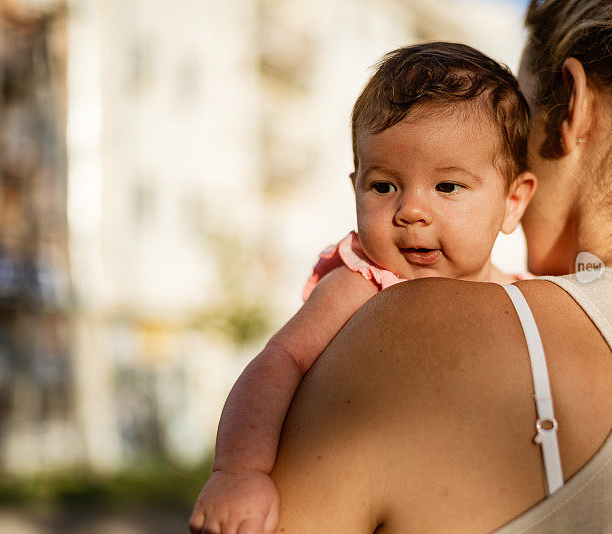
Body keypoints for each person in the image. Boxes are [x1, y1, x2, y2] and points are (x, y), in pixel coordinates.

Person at [242, 0, 612, 532]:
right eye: (384, 184)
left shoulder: (410, 325)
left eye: (523, 127)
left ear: (572, 110)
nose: (413, 211)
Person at [189, 42, 537, 534]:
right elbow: (279, 361)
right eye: (383, 186)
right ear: (355, 186)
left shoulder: (529, 301)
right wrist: (239, 471)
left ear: (513, 202)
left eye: (447, 187)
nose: (410, 211)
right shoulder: (363, 283)